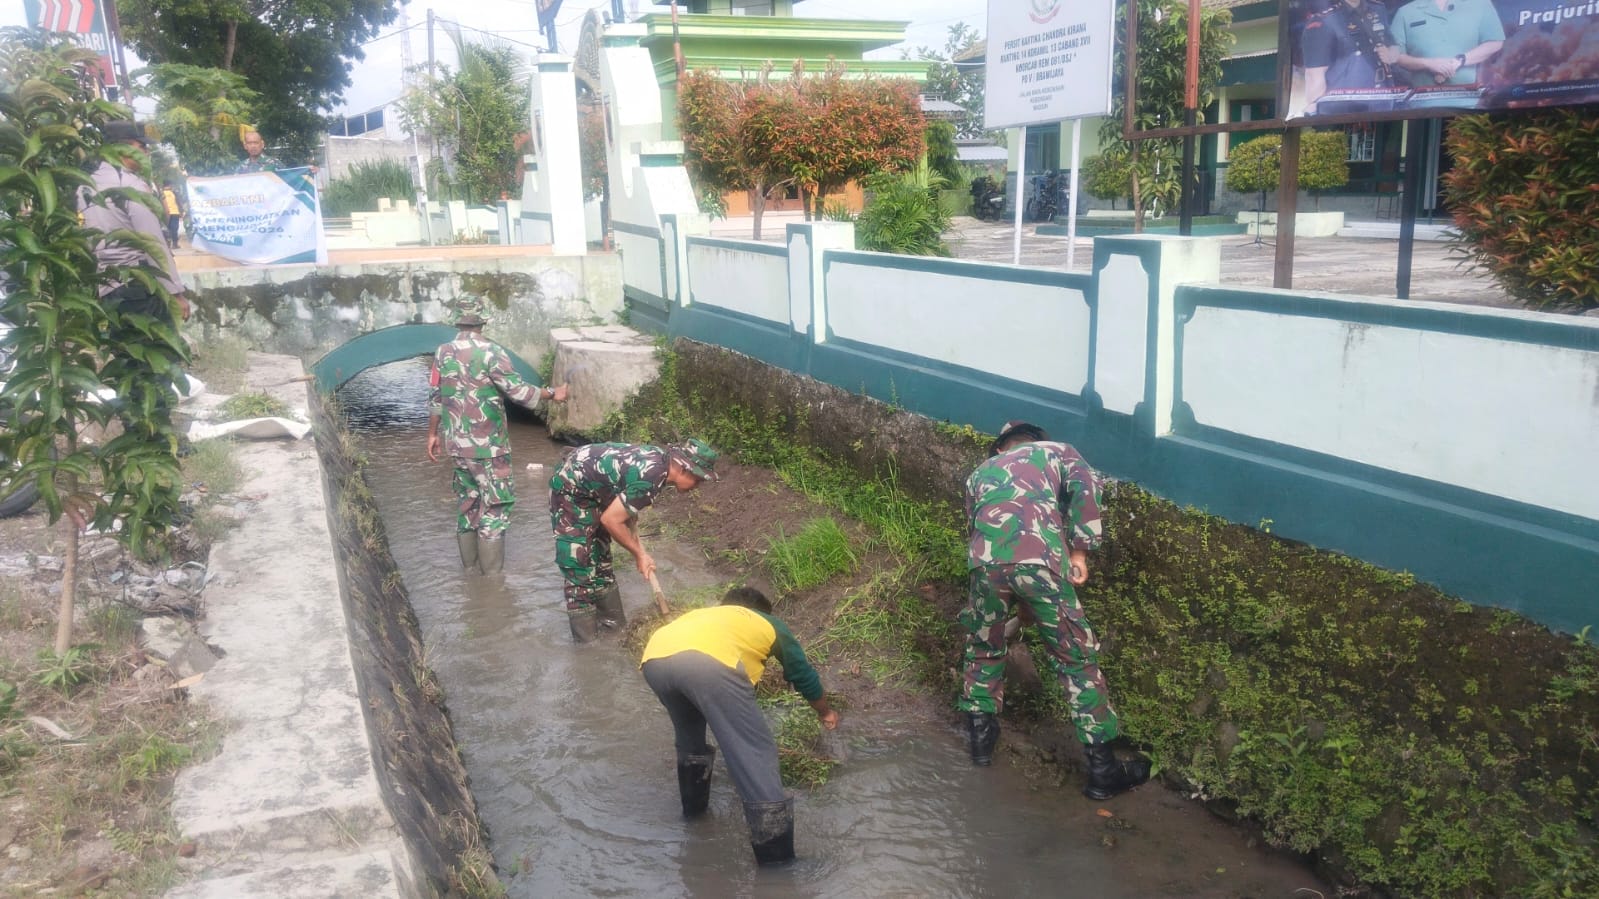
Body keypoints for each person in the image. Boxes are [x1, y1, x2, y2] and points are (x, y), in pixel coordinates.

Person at [959, 420, 1150, 800]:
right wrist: (1080, 552)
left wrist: (1019, 599)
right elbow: (1087, 486)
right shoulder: (1057, 451)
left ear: (1001, 447)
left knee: (983, 648)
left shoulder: (979, 473)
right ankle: (1103, 770)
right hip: (1041, 561)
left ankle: (981, 745)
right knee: (1076, 658)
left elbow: (975, 526)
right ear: (1034, 441)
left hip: (984, 565)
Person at [640, 586, 838, 866]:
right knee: (755, 752)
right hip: (706, 665)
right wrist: (825, 712)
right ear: (759, 611)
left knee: (690, 739)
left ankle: (694, 817)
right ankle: (777, 864)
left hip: (655, 659)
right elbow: (802, 674)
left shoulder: (707, 615)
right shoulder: (767, 622)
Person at [425, 300, 568, 575]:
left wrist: (432, 434)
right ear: (484, 321)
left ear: (456, 320)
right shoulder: (492, 352)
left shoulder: (442, 352)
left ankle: (470, 574)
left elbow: (435, 397)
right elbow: (519, 392)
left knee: (468, 502)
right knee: (495, 506)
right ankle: (491, 584)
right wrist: (553, 393)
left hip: (456, 445)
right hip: (489, 447)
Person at [547, 438, 717, 641]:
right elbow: (611, 520)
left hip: (596, 489)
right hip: (571, 489)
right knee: (580, 571)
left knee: (601, 564)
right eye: (698, 480)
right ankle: (588, 647)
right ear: (683, 468)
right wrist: (639, 554)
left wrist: (630, 517)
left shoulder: (661, 463)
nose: (697, 486)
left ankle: (614, 632)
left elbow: (623, 491)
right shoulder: (651, 476)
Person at [1300, 0, 1401, 113]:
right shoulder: (1323, 21)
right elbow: (1314, 76)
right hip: (1345, 108)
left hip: (1384, 98)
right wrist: (1316, 111)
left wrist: (1391, 55)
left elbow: (1393, 46)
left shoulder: (1377, 8)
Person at [1386, 0, 1504, 87]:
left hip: (1472, 102)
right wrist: (1428, 64)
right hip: (1422, 101)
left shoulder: (1480, 4)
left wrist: (1458, 61)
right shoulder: (1405, 12)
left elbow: (1495, 41)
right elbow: (1395, 55)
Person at [159, 183, 183, 249]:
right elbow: (179, 202)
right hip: (175, 212)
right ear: (170, 185)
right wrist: (181, 211)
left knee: (167, 229)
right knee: (174, 229)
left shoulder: (161, 194)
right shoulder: (174, 193)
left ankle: (168, 244)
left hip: (165, 213)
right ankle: (174, 244)